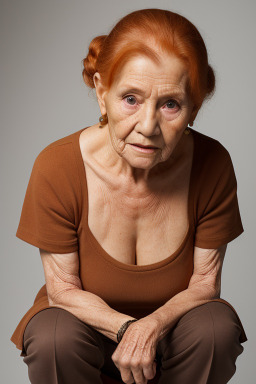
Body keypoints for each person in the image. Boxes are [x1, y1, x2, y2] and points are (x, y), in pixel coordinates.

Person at [11, 8, 247, 384]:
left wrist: (150, 327)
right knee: (54, 336)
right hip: (84, 334)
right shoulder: (56, 166)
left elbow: (205, 283)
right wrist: (127, 329)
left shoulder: (212, 164)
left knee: (215, 328)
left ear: (194, 108)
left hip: (174, 337)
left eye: (170, 104)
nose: (148, 126)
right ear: (102, 93)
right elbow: (62, 290)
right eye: (131, 99)